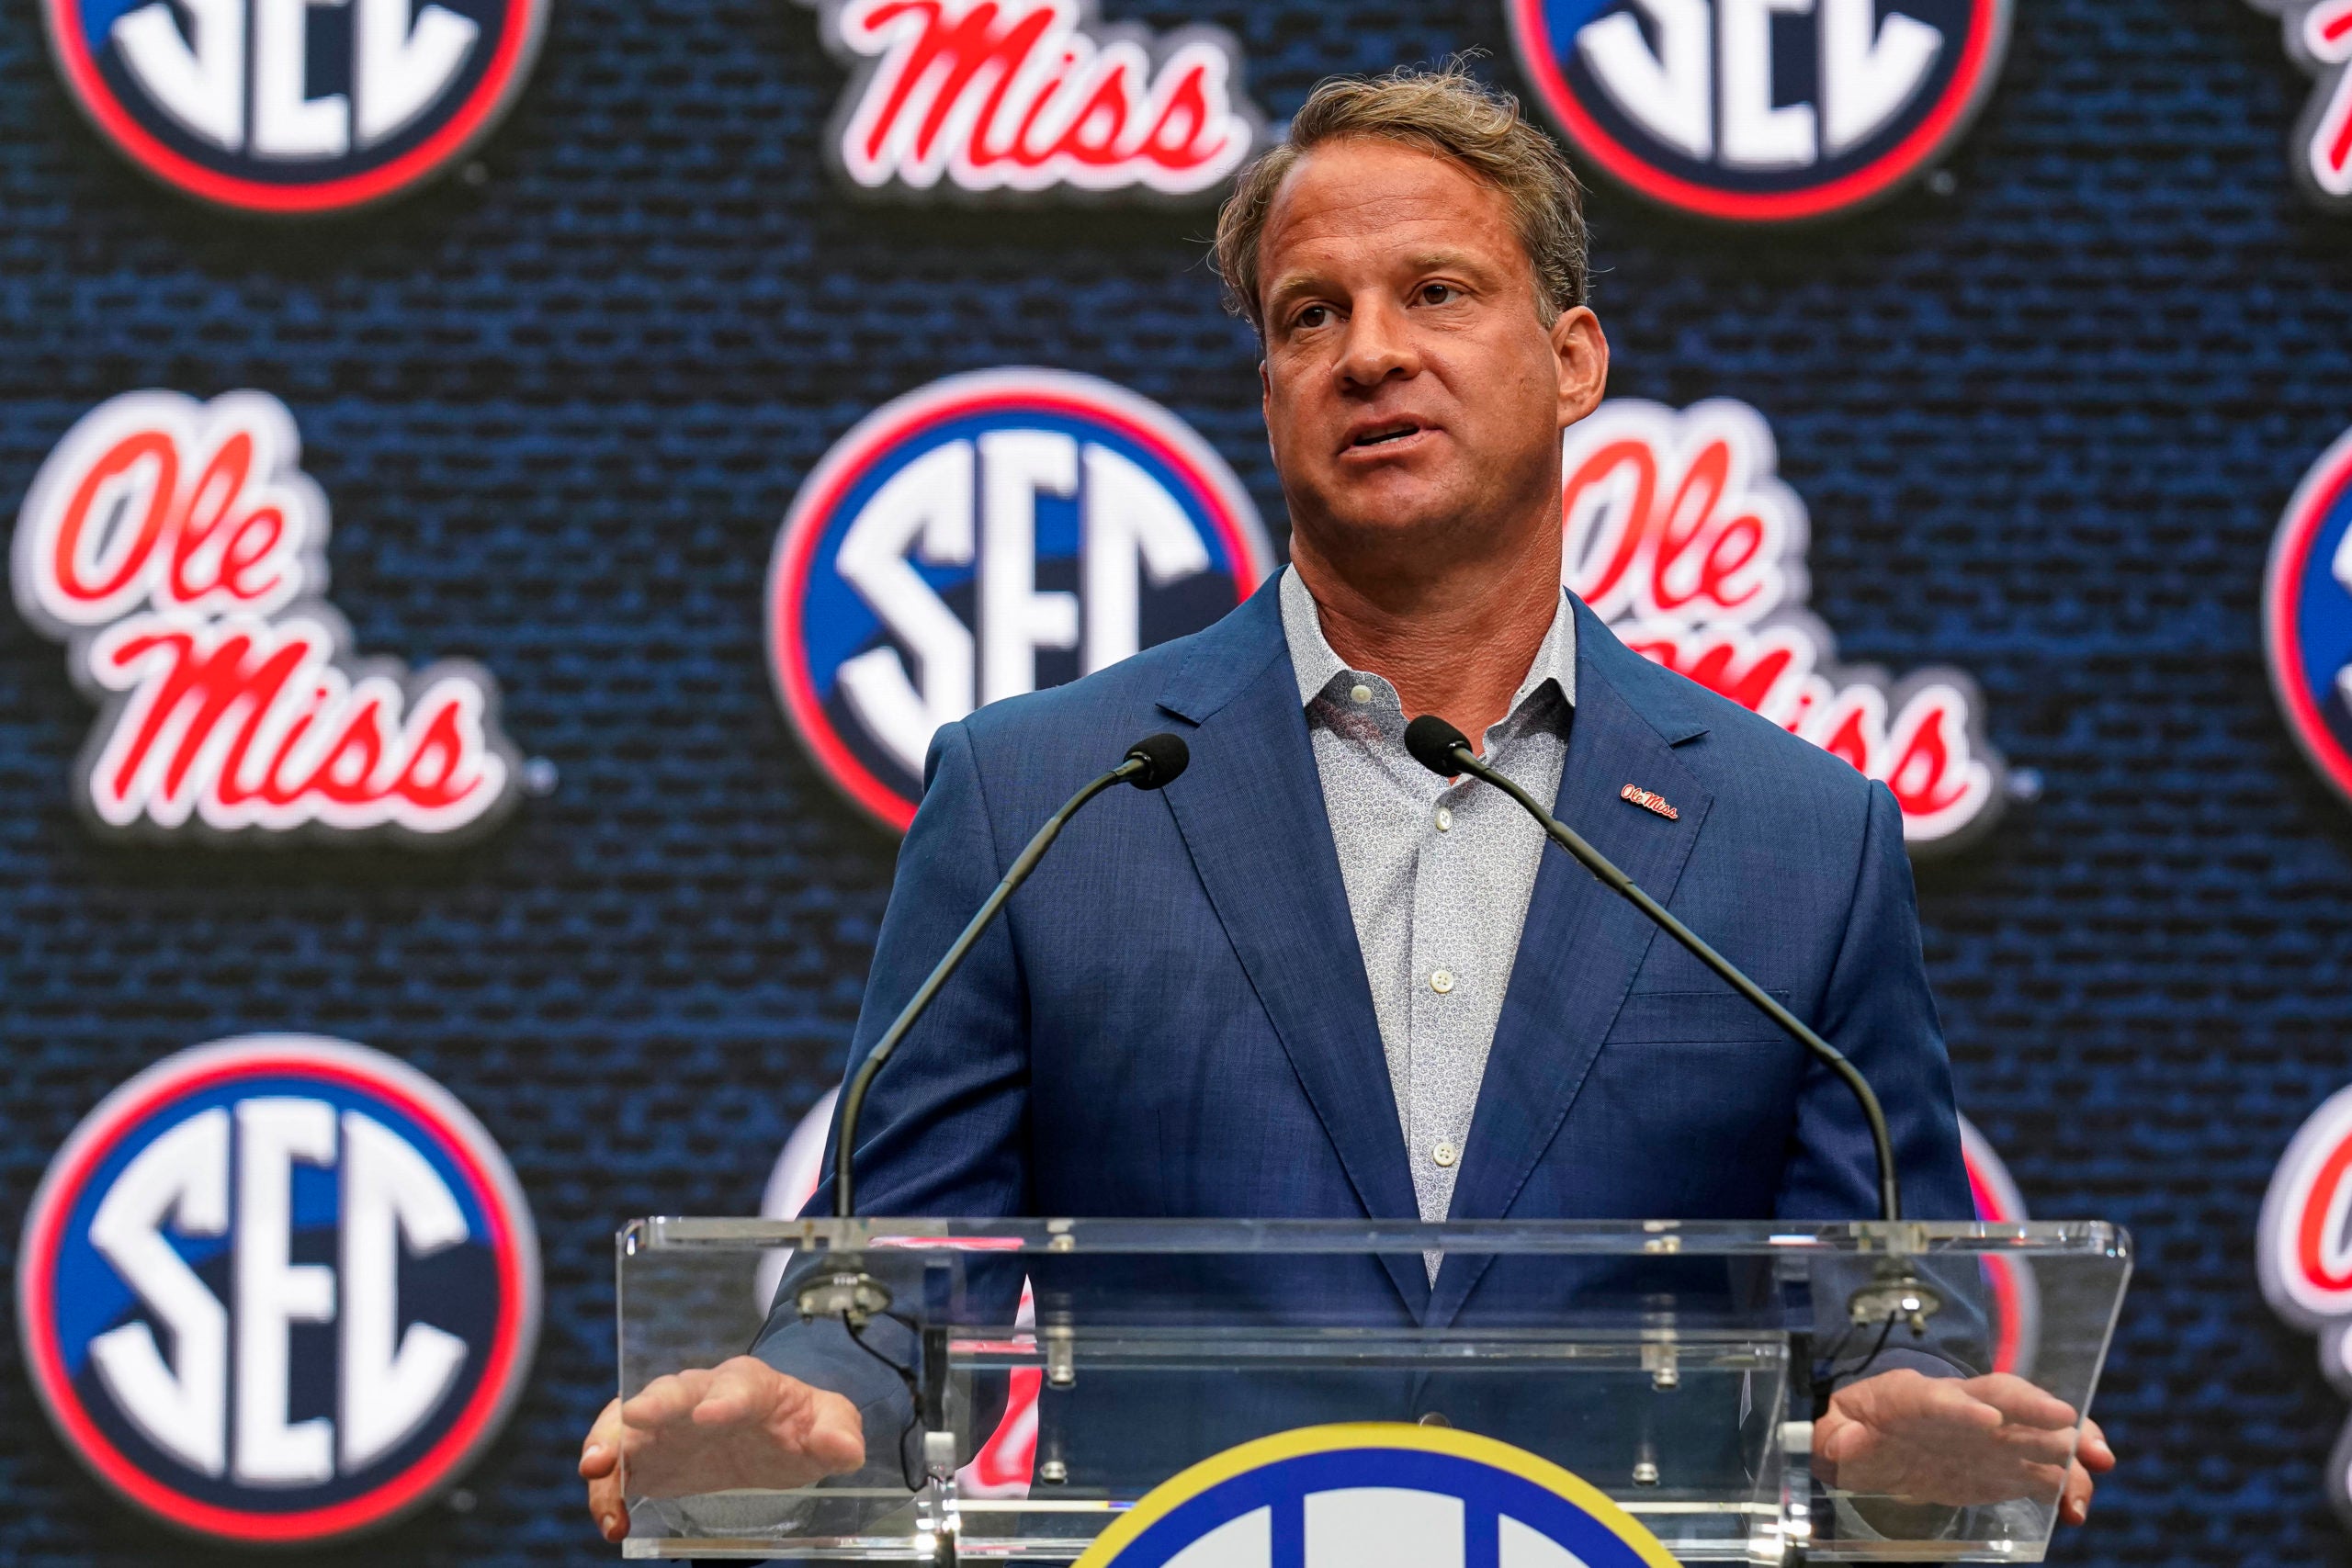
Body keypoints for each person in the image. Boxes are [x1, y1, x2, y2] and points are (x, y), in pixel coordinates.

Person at [582, 63, 2113, 1541]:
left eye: (1437, 292)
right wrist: (810, 1406)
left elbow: (1884, 1309)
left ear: (1573, 361)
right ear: (1271, 396)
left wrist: (1910, 1430)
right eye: (1312, 314)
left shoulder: (1802, 839)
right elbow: (890, 1287)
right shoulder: (1046, 796)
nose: (1371, 353)